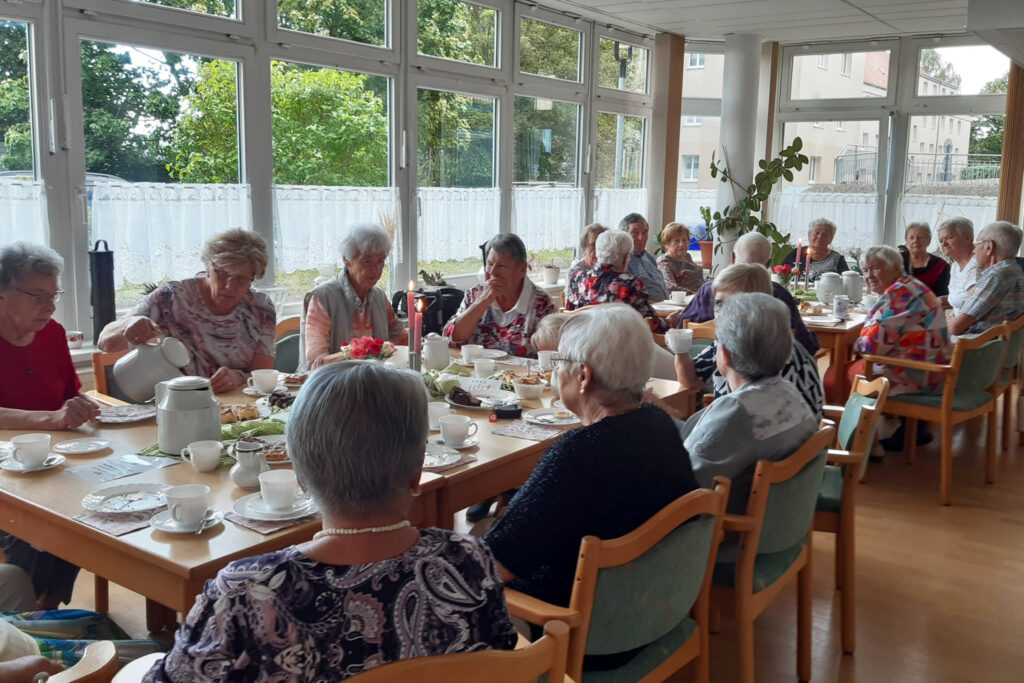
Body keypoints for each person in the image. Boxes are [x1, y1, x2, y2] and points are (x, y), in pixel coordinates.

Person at [145, 362, 516, 682]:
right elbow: (500, 653)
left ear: (301, 477)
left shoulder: (245, 593)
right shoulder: (469, 560)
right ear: (417, 472)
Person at [485, 305, 698, 626]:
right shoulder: (658, 424)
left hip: (586, 632)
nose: (555, 373)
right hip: (656, 611)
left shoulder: (578, 454)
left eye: (560, 363)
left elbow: (495, 565)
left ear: (583, 376)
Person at [0, 243, 96, 609]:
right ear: (2, 294)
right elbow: (50, 414)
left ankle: (47, 606)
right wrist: (50, 419)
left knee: (93, 507)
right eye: (39, 296)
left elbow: (69, 393)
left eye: (53, 295)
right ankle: (28, 613)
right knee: (36, 528)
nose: (50, 306)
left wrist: (81, 407)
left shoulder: (52, 333)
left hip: (53, 464)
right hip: (8, 476)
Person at [673, 294, 818, 514]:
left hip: (718, 535)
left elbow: (683, 485)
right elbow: (712, 442)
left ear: (726, 355)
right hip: (774, 523)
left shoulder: (737, 411)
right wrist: (662, 421)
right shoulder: (786, 391)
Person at [98, 228, 275, 394]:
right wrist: (129, 324)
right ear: (208, 267)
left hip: (236, 409)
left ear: (254, 277)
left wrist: (239, 377)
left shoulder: (261, 308)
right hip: (175, 404)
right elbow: (105, 342)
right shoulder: (172, 297)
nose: (229, 286)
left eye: (241, 279)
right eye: (222, 274)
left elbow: (262, 373)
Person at [674, 263, 824, 419]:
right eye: (719, 304)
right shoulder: (728, 343)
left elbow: (758, 423)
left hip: (775, 438)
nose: (723, 313)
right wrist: (680, 348)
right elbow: (691, 380)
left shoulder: (773, 352)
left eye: (733, 304)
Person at [853, 245, 951, 451]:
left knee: (838, 375)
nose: (869, 275)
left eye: (876, 268)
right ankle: (914, 428)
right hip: (934, 368)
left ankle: (861, 447)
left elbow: (871, 348)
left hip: (919, 375)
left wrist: (859, 339)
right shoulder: (912, 285)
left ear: (896, 268)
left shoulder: (897, 295)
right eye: (865, 270)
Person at [678, 232, 819, 354]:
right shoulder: (778, 294)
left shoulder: (709, 289)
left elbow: (681, 328)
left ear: (733, 257)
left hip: (705, 373)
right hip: (761, 375)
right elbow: (804, 345)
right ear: (769, 263)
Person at [304, 224, 408, 369]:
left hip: (375, 380)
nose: (375, 269)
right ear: (347, 260)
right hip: (334, 384)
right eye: (367, 261)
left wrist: (430, 343)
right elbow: (315, 363)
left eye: (380, 261)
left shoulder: (379, 297)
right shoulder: (322, 298)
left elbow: (402, 339)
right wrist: (358, 352)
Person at [444, 234, 556, 357]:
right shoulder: (475, 293)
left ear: (522, 269)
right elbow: (451, 338)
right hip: (475, 372)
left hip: (522, 375)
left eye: (502, 266)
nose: (493, 272)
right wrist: (481, 301)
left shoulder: (541, 301)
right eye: (490, 264)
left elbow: (552, 353)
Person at [567, 230, 668, 332]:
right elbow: (653, 325)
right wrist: (669, 321)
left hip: (582, 342)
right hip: (619, 345)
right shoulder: (630, 284)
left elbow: (569, 314)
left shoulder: (576, 277)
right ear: (625, 258)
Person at [949, 221, 1024, 336]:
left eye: (976, 245)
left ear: (989, 247)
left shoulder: (996, 276)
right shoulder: (1017, 271)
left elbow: (955, 327)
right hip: (1003, 348)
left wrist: (954, 321)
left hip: (978, 348)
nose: (974, 251)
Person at [619, 212, 668, 302]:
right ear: (624, 235)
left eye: (644, 233)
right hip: (645, 311)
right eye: (635, 233)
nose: (641, 238)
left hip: (665, 308)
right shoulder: (621, 261)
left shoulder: (650, 258)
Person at [782, 218, 849, 281]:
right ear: (809, 235)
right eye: (816, 233)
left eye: (824, 234)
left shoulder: (837, 259)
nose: (819, 237)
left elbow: (846, 281)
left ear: (831, 239)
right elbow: (781, 274)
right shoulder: (797, 253)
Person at [937, 216, 979, 316]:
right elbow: (961, 299)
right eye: (941, 241)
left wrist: (955, 322)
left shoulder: (978, 263)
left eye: (949, 238)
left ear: (968, 237)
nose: (944, 244)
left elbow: (977, 305)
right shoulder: (955, 266)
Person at [564, 223, 608, 310]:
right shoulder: (576, 272)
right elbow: (572, 306)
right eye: (593, 245)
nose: (598, 250)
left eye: (602, 245)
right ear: (584, 248)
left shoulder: (608, 269)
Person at [902, 222, 950, 297]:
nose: (915, 240)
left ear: (929, 240)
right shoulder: (896, 260)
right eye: (911, 238)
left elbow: (942, 296)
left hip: (928, 307)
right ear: (906, 241)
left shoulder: (941, 266)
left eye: (920, 237)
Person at [656, 222, 704, 294]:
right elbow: (670, 287)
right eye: (676, 241)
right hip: (685, 301)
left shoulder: (687, 256)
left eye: (685, 240)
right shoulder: (663, 262)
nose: (681, 244)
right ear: (666, 243)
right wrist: (696, 295)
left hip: (702, 296)